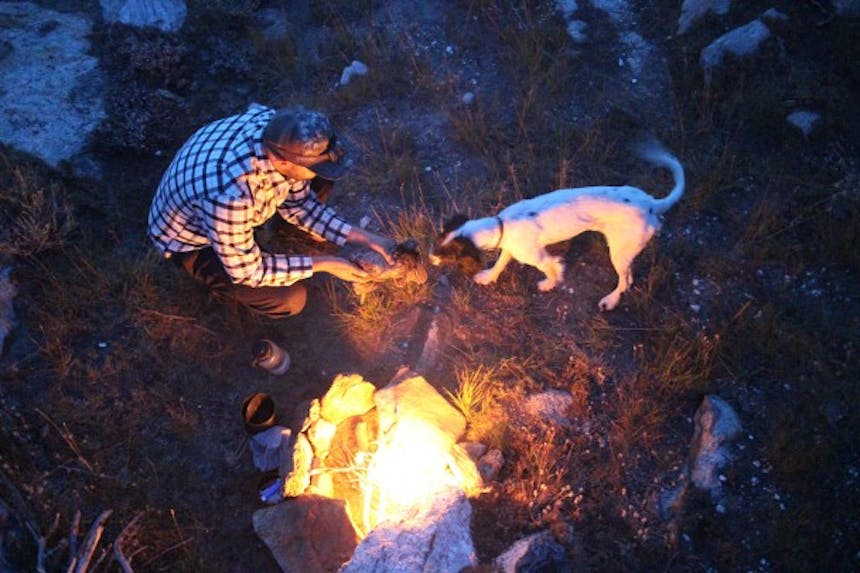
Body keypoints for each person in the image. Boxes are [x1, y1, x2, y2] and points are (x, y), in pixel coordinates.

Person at [148, 103, 395, 318]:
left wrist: (372, 240)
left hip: (213, 190)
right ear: (283, 162)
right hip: (190, 242)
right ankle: (219, 287)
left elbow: (302, 207)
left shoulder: (280, 128)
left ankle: (285, 232)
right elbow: (249, 271)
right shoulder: (232, 196)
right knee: (290, 299)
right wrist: (327, 263)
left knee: (322, 178)